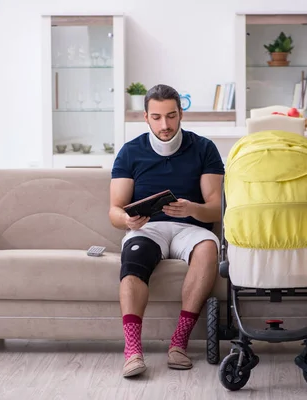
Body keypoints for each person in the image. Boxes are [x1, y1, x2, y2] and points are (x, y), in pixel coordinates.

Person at [109, 84, 224, 377]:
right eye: (157, 117)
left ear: (181, 113)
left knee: (209, 249)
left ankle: (179, 343)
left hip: (192, 228)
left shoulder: (204, 148)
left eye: (171, 116)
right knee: (133, 258)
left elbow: (217, 209)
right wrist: (127, 221)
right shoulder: (130, 152)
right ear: (145, 117)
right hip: (149, 228)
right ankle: (133, 351)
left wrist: (192, 209)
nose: (165, 125)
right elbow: (114, 210)